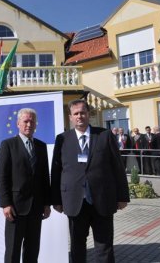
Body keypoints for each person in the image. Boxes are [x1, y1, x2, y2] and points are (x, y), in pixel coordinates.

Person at [51, 99, 129, 263]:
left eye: (83, 112)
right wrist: (56, 200)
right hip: (74, 202)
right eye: (76, 113)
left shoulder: (105, 135)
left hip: (103, 200)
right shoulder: (62, 139)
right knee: (77, 246)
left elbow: (118, 167)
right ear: (70, 117)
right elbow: (57, 171)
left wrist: (122, 196)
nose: (80, 116)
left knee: (104, 246)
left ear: (89, 114)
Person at [0, 108, 51, 263]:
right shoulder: (8, 145)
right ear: (18, 123)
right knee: (12, 250)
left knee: (32, 250)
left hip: (36, 207)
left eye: (32, 121)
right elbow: (2, 177)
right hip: (15, 207)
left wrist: (47, 203)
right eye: (25, 121)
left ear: (35, 124)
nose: (29, 124)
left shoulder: (41, 146)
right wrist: (6, 203)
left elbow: (44, 177)